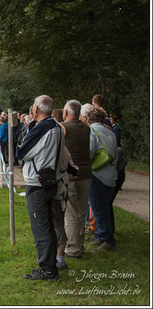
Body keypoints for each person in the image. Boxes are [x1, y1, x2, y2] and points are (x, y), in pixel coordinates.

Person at [16, 95, 64, 281]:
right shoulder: (55, 126)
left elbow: (22, 152)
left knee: (41, 227)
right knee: (49, 225)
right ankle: (51, 264)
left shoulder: (43, 128)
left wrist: (30, 128)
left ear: (36, 109)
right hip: (50, 179)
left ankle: (47, 269)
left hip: (38, 182)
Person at [61, 100, 93, 259]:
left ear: (66, 113)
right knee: (81, 212)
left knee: (71, 213)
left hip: (71, 175)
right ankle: (79, 245)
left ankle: (73, 248)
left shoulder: (64, 128)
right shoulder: (86, 128)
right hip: (86, 173)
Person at [86, 106, 118, 251]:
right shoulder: (110, 131)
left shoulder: (92, 131)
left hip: (98, 173)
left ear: (88, 119)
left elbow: (90, 151)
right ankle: (102, 235)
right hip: (111, 174)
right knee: (105, 206)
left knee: (99, 208)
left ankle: (106, 239)